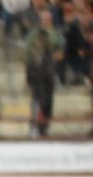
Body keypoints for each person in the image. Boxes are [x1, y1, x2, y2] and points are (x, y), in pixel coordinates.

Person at [25, 8, 65, 136]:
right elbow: (28, 51)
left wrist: (54, 56)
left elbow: (61, 52)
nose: (45, 21)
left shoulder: (56, 34)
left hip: (50, 71)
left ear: (51, 19)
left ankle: (45, 126)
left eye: (47, 18)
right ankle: (35, 125)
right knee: (37, 99)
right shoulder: (33, 34)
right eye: (43, 18)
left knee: (48, 100)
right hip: (36, 72)